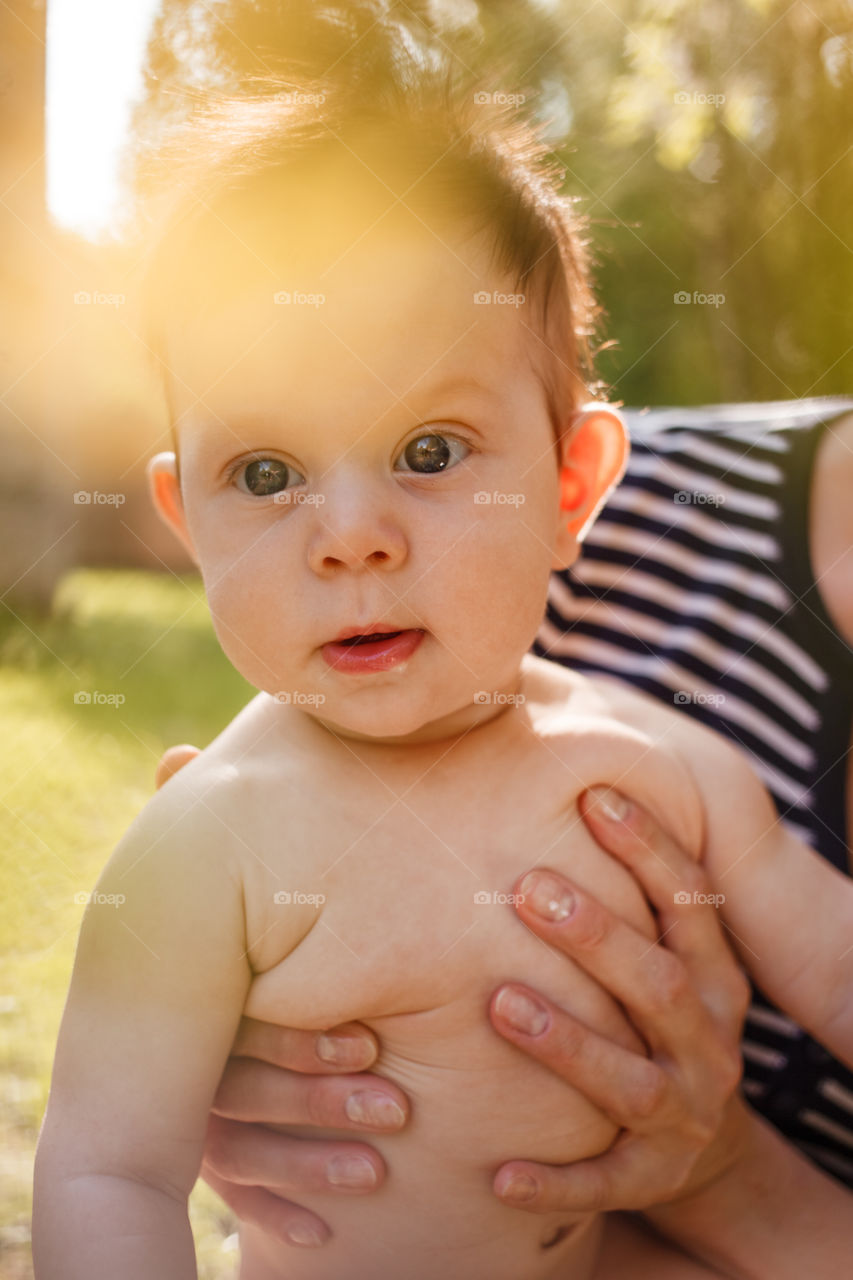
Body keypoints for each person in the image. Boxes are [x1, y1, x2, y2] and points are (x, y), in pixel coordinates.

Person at [32, 58, 853, 1280]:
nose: (348, 534)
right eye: (265, 473)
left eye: (428, 449)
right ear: (187, 519)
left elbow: (833, 966)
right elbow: (109, 1170)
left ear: (569, 487)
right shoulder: (214, 840)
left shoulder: (649, 758)